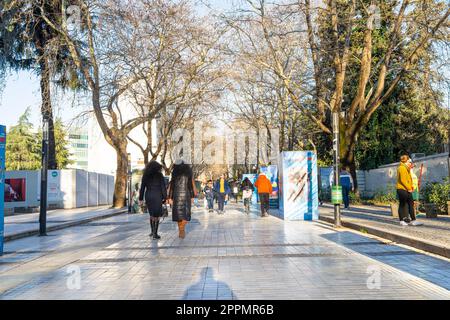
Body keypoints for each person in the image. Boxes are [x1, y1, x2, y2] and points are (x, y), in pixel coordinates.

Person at [139, 161, 167, 240]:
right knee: (157, 215)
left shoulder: (146, 175)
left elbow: (142, 188)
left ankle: (152, 231)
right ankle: (155, 233)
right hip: (158, 196)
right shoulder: (160, 175)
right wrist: (165, 198)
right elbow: (163, 187)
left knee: (151, 214)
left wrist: (141, 198)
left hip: (148, 196)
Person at [168, 161, 197, 239]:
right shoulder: (188, 173)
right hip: (186, 195)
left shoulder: (174, 173)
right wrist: (192, 196)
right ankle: (182, 228)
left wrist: (170, 197)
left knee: (178, 215)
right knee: (185, 214)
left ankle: (181, 229)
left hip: (176, 195)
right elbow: (190, 185)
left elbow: (172, 186)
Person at [396, 155, 422, 226]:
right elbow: (403, 180)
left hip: (407, 189)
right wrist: (409, 188)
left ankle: (413, 220)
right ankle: (401, 221)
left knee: (411, 204)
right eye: (409, 161)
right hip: (402, 189)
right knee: (402, 204)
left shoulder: (406, 168)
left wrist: (410, 187)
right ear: (405, 161)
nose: (410, 162)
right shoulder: (401, 168)